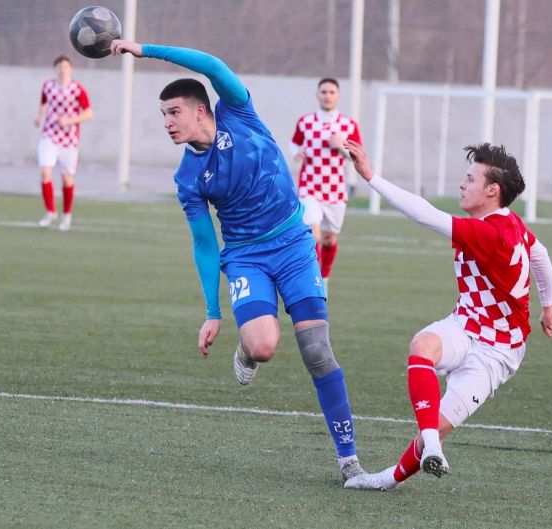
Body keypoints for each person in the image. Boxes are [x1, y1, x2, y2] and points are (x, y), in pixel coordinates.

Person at [109, 39, 366, 481]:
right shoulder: (188, 177)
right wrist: (212, 311)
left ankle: (349, 461)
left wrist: (142, 49)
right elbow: (205, 244)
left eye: (174, 113)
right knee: (264, 347)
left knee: (317, 351)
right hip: (247, 258)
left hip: (293, 244)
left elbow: (212, 64)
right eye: (163, 115)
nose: (167, 123)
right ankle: (247, 349)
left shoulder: (237, 112)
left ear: (201, 111)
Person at [341, 140, 552, 490]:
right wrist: (549, 305)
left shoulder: (489, 232)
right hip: (465, 323)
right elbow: (540, 254)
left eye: (470, 179)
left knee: (438, 425)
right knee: (422, 346)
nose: (462, 184)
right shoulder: (510, 222)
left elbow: (423, 214)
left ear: (492, 190)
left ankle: (388, 479)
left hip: (497, 352)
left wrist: (371, 177)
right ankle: (432, 446)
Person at [290, 78, 363, 289]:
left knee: (329, 239)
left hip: (335, 190)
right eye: (323, 92)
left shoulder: (348, 125)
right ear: (317, 95)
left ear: (338, 96)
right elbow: (294, 143)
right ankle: (313, 282)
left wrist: (341, 147)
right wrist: (298, 152)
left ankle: (324, 280)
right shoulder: (305, 122)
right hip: (309, 187)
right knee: (313, 235)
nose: (327, 96)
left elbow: (357, 155)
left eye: (331, 92)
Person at [33, 55, 94, 232]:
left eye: (66, 67)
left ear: (71, 69)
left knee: (67, 178)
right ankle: (50, 211)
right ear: (55, 69)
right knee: (45, 171)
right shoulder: (48, 86)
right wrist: (39, 117)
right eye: (59, 67)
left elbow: (89, 114)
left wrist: (69, 120)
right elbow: (43, 103)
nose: (62, 70)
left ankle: (67, 216)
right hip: (49, 135)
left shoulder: (77, 89)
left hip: (69, 139)